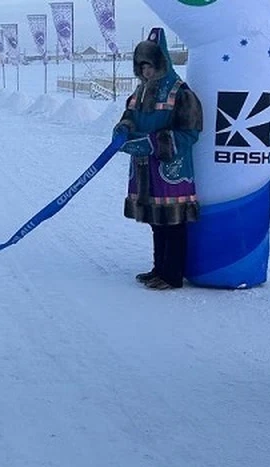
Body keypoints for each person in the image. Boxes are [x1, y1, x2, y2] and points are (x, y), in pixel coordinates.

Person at [113, 27, 203, 290]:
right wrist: (123, 129)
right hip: (144, 169)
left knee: (173, 223)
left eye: (149, 65)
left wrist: (155, 143)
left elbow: (190, 132)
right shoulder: (138, 93)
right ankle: (159, 268)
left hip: (170, 168)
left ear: (161, 63)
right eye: (141, 66)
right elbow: (128, 118)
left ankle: (172, 275)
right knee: (156, 221)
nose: (146, 71)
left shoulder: (181, 92)